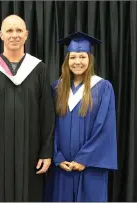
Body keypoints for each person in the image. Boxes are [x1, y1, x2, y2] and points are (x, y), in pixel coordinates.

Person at [0, 15, 55, 201]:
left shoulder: (38, 69)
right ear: (1, 35)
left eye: (19, 30)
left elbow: (47, 113)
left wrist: (46, 152)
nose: (14, 35)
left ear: (26, 34)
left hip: (29, 153)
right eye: (9, 30)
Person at [44, 31, 118, 202]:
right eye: (73, 57)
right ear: (67, 60)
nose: (77, 62)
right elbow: (49, 125)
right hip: (61, 168)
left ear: (89, 59)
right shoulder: (57, 88)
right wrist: (57, 156)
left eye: (82, 57)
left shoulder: (102, 87)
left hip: (90, 167)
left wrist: (84, 159)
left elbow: (105, 128)